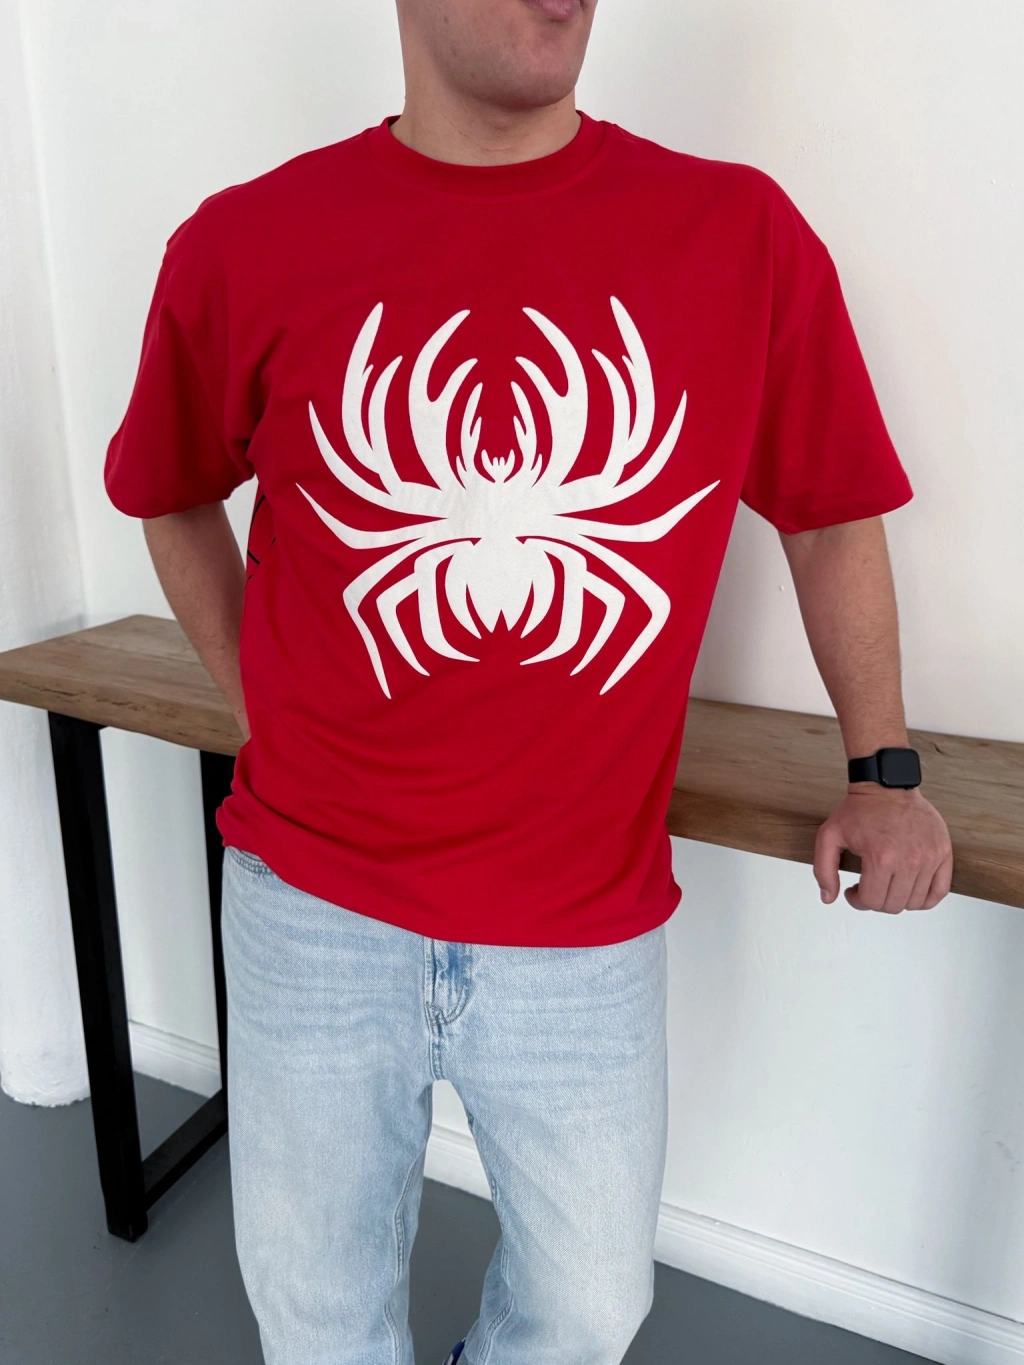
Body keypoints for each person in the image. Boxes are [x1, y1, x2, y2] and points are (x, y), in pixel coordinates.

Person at [103, 0, 954, 1361]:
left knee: (590, 1307)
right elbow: (167, 491)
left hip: (583, 918)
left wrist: (885, 770)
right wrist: (267, 703)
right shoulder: (242, 242)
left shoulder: (740, 235)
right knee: (314, 1312)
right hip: (309, 903)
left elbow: (831, 513)